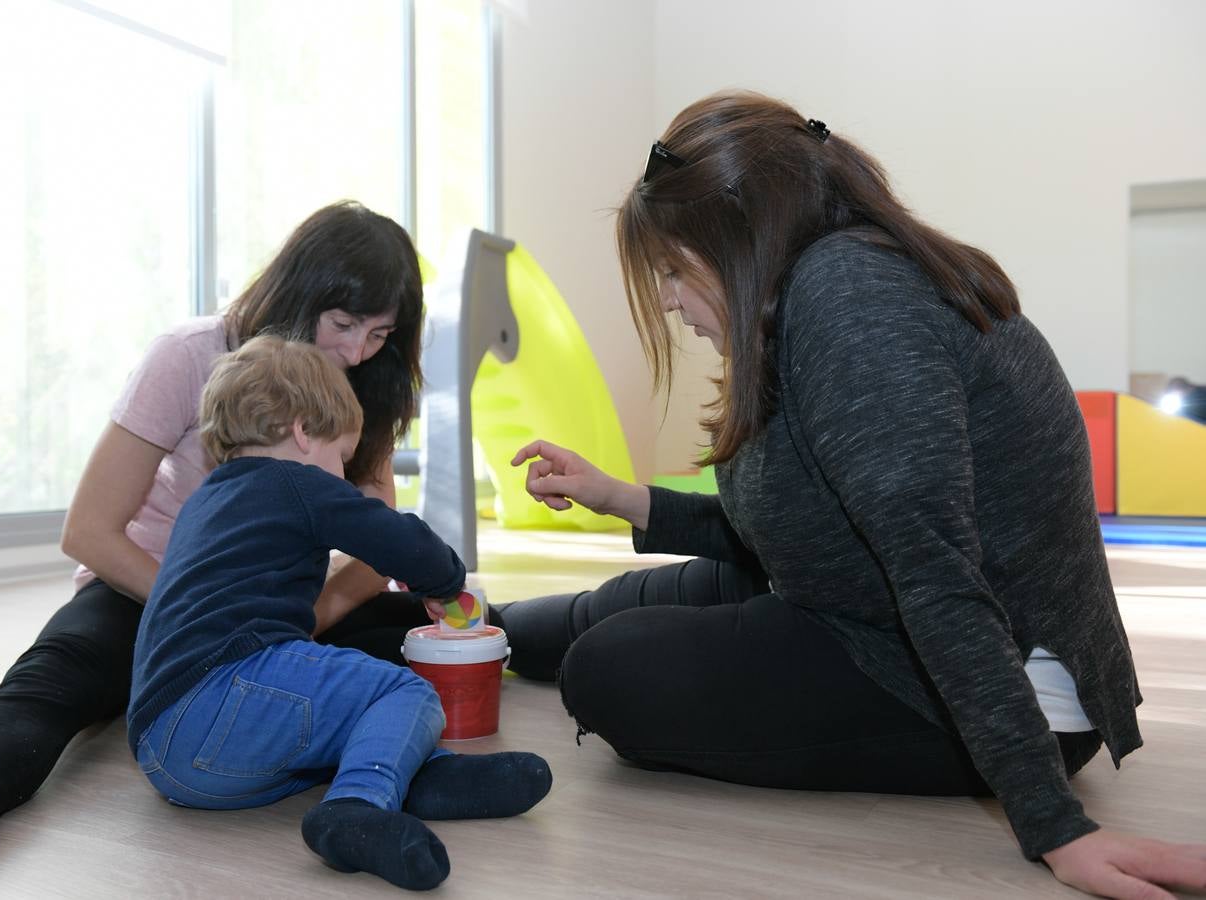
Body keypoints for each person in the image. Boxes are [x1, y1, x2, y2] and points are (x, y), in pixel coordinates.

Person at [501, 91, 1206, 898]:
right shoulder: (818, 288)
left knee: (607, 671)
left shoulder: (851, 302)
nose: (667, 299)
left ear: (734, 242)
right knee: (563, 621)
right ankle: (427, 628)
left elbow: (936, 574)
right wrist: (619, 496)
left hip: (979, 684)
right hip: (858, 602)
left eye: (671, 270)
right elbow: (792, 529)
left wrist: (1056, 826)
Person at [0, 201, 504, 899]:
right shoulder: (191, 353)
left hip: (279, 612)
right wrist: (204, 612)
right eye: (343, 324)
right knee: (53, 683)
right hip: (147, 588)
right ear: (297, 293)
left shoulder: (356, 389)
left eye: (378, 335)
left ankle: (442, 723)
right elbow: (88, 531)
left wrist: (292, 625)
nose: (355, 352)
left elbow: (378, 540)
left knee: (421, 636)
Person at [129, 335, 550, 891]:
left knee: (336, 712)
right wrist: (444, 581)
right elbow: (390, 533)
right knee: (401, 691)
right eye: (342, 459)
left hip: (167, 755)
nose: (341, 475)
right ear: (304, 432)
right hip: (224, 694)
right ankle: (356, 807)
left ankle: (410, 776)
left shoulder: (204, 503)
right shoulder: (295, 482)